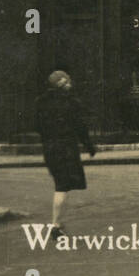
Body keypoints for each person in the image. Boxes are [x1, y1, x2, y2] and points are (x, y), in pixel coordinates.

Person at [35, 70, 97, 239]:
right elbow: (81, 128)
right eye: (68, 81)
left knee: (62, 185)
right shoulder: (71, 102)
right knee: (62, 187)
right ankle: (55, 225)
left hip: (50, 148)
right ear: (62, 83)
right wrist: (90, 147)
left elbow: (37, 126)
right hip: (66, 148)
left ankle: (58, 223)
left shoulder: (41, 102)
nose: (71, 84)